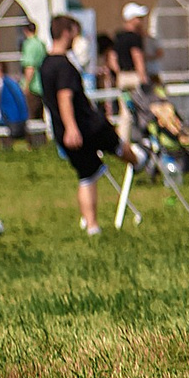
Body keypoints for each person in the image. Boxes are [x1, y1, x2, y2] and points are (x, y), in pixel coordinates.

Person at [40, 14, 120, 234]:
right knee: (114, 145)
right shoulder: (64, 66)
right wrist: (72, 127)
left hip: (61, 130)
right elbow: (64, 97)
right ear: (67, 33)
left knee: (87, 175)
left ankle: (92, 226)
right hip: (84, 126)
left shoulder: (45, 64)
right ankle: (139, 159)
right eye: (75, 32)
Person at [18, 19, 48, 116]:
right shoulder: (41, 44)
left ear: (25, 30)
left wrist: (26, 86)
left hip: (33, 87)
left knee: (30, 116)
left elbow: (30, 67)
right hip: (41, 85)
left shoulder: (29, 45)